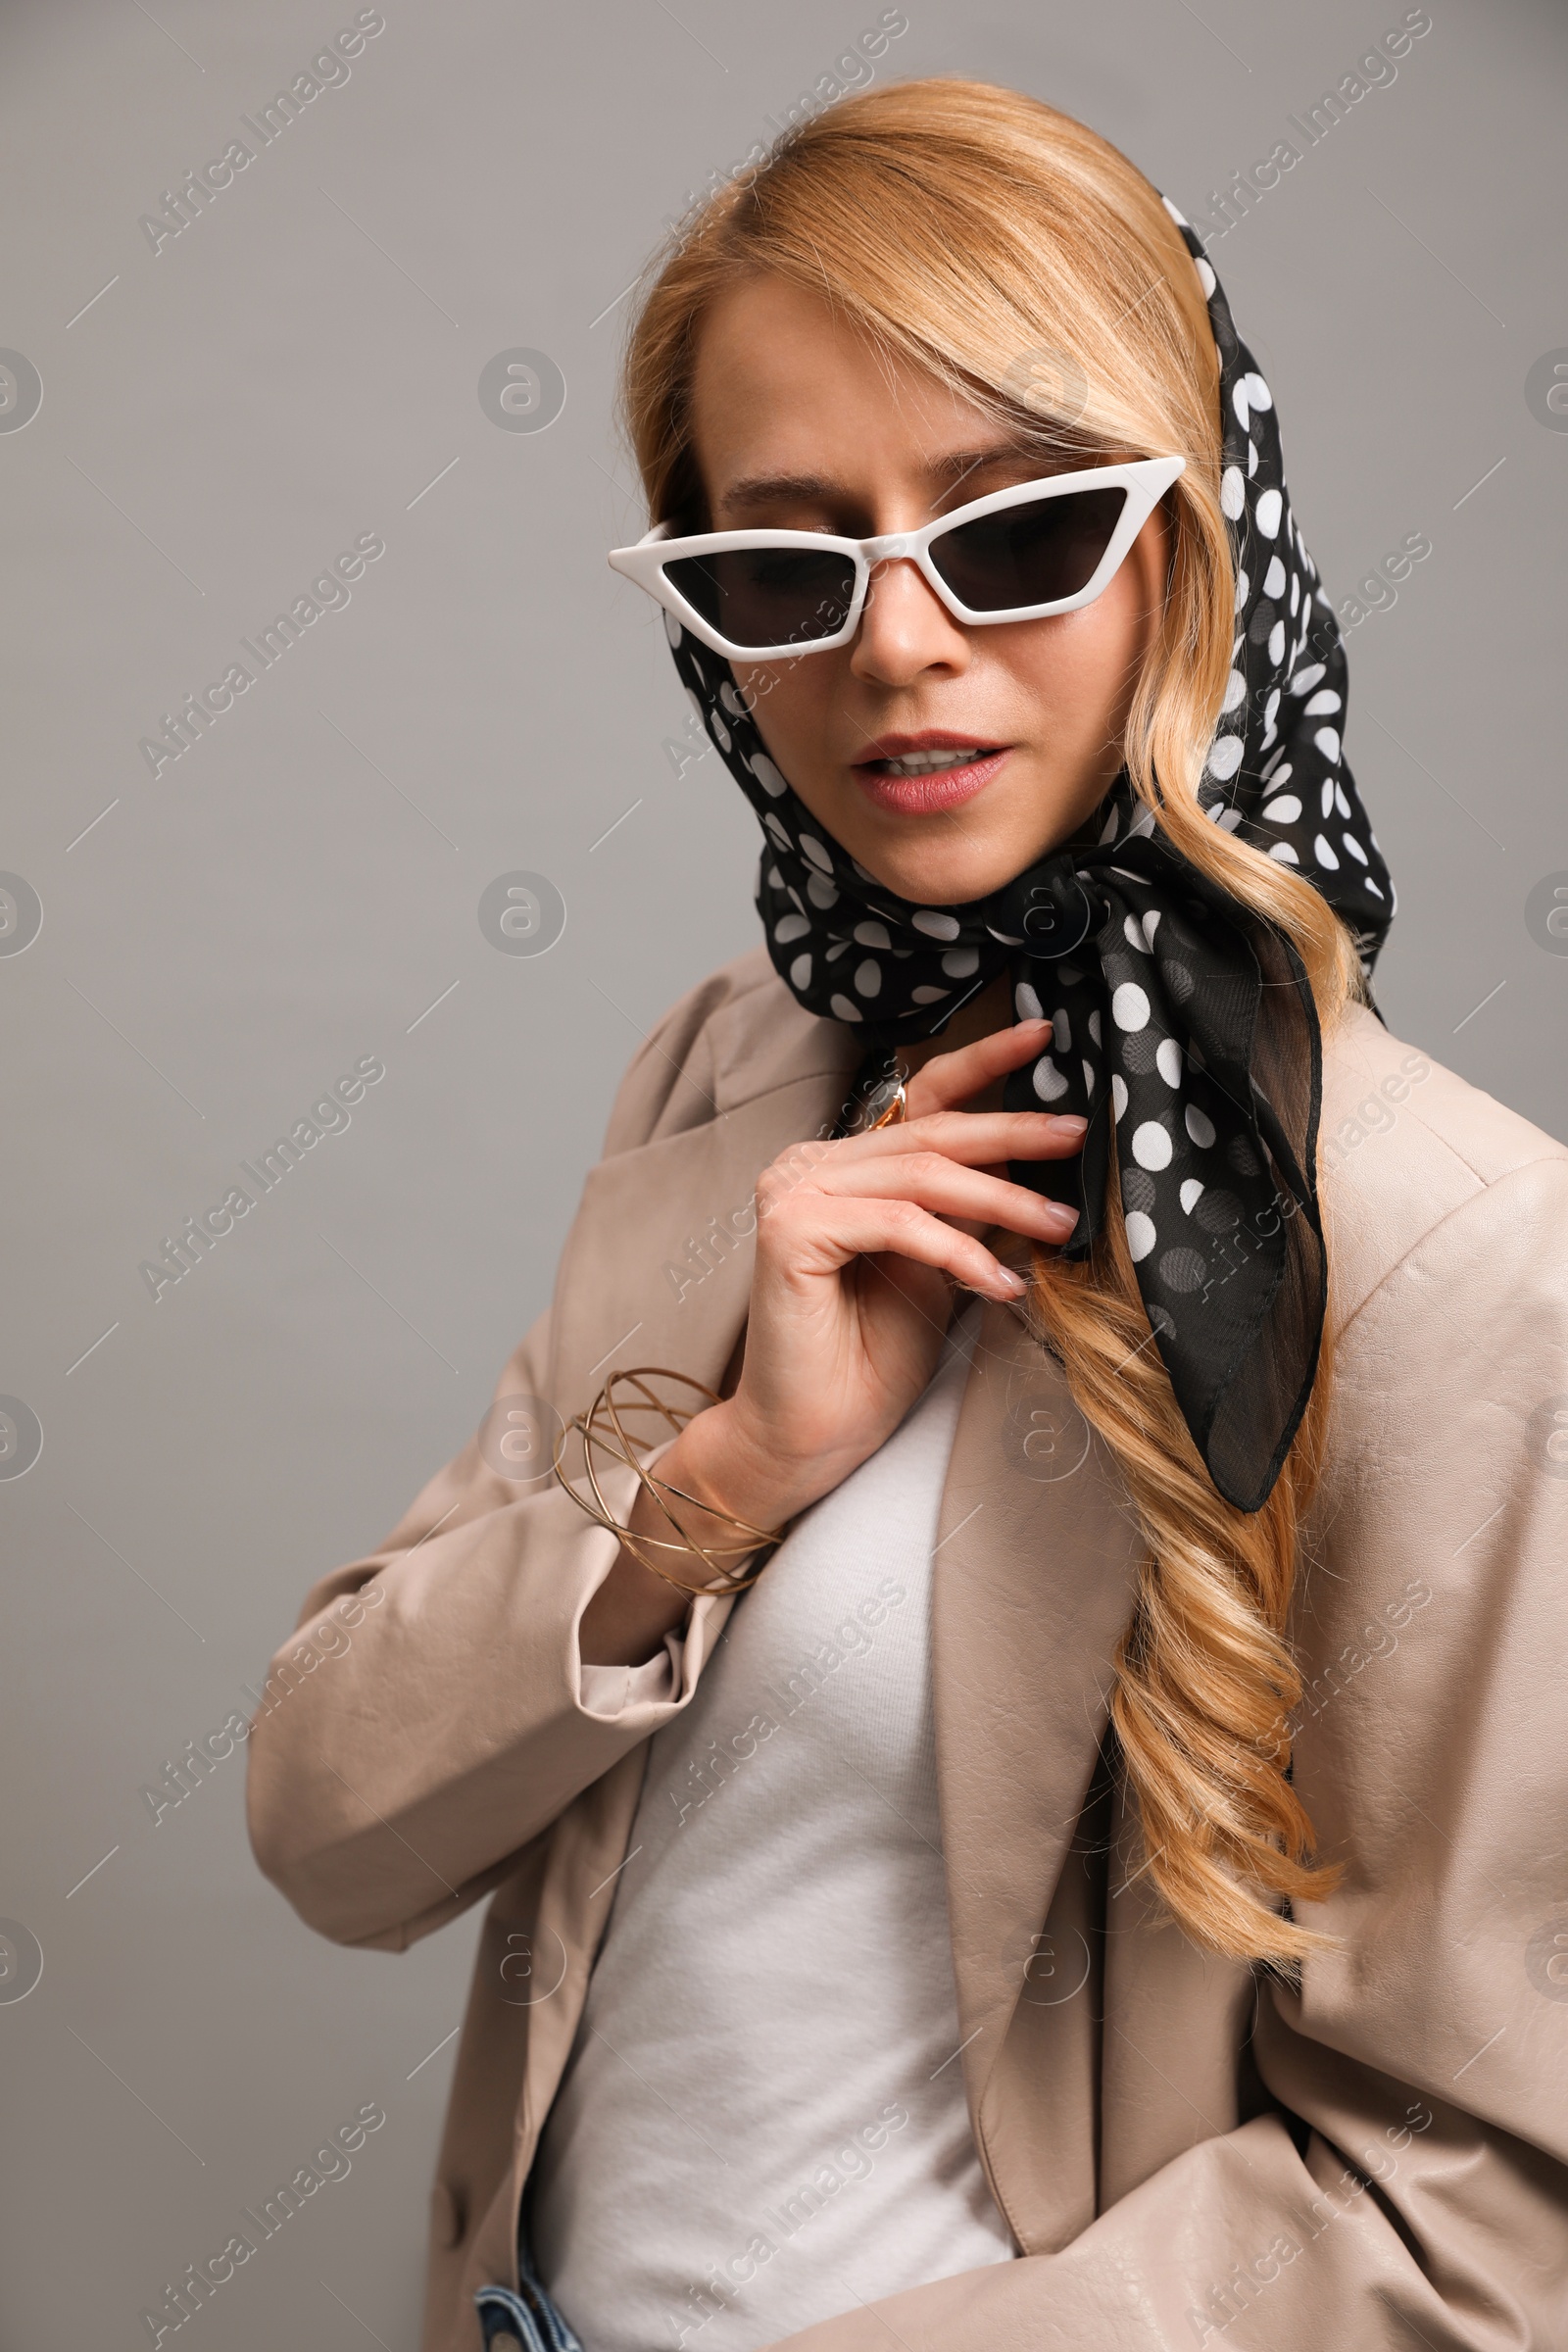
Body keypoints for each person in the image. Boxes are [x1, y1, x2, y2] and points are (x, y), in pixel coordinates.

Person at [246, 77, 1568, 2352]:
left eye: (1013, 531)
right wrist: (717, 1486)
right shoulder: (722, 1078)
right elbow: (330, 1827)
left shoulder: (1455, 1260)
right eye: (784, 561)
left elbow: (1479, 2225)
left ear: (1186, 537)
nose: (895, 643)